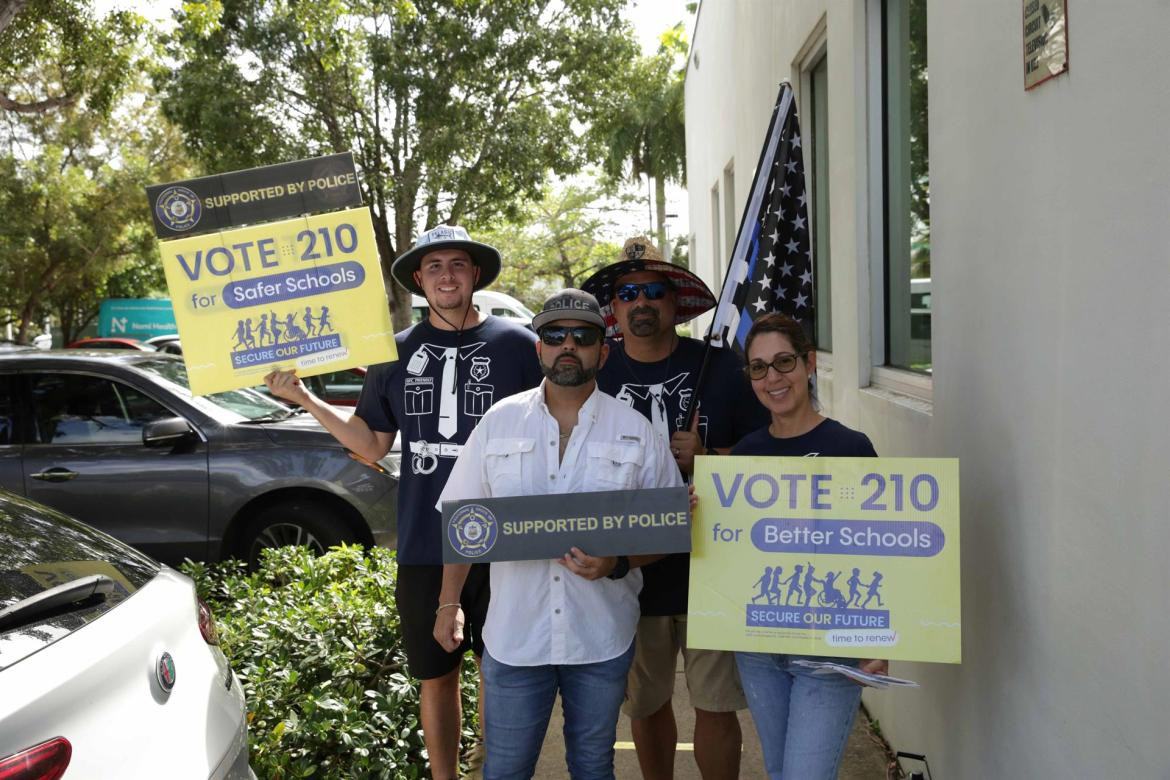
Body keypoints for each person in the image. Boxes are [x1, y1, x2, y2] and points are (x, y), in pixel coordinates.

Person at [264, 224, 542, 780]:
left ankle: (494, 770)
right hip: (424, 537)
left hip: (504, 534)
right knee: (435, 673)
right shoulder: (392, 351)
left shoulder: (520, 345)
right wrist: (305, 398)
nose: (446, 275)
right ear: (418, 280)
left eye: (457, 264)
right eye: (434, 266)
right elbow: (371, 441)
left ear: (475, 274)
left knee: (499, 669)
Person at [433, 289, 682, 779]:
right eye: (554, 334)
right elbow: (464, 522)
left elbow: (668, 529)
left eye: (584, 335)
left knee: (593, 766)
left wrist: (618, 562)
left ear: (602, 351)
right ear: (539, 348)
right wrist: (449, 603)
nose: (569, 344)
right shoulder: (498, 423)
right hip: (515, 636)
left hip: (601, 636)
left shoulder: (636, 431)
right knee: (505, 769)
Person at [580, 237, 766, 780]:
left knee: (714, 702)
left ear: (674, 303)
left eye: (654, 292)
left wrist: (711, 456)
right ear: (613, 310)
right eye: (628, 293)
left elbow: (769, 453)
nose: (641, 302)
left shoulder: (720, 368)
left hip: (711, 562)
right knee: (646, 701)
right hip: (634, 566)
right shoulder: (597, 378)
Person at [729, 312, 887, 780]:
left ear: (809, 363)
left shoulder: (851, 448)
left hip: (830, 649)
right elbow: (733, 548)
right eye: (758, 368)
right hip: (758, 647)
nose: (772, 378)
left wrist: (881, 638)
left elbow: (882, 548)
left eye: (783, 362)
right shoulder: (744, 455)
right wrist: (702, 513)